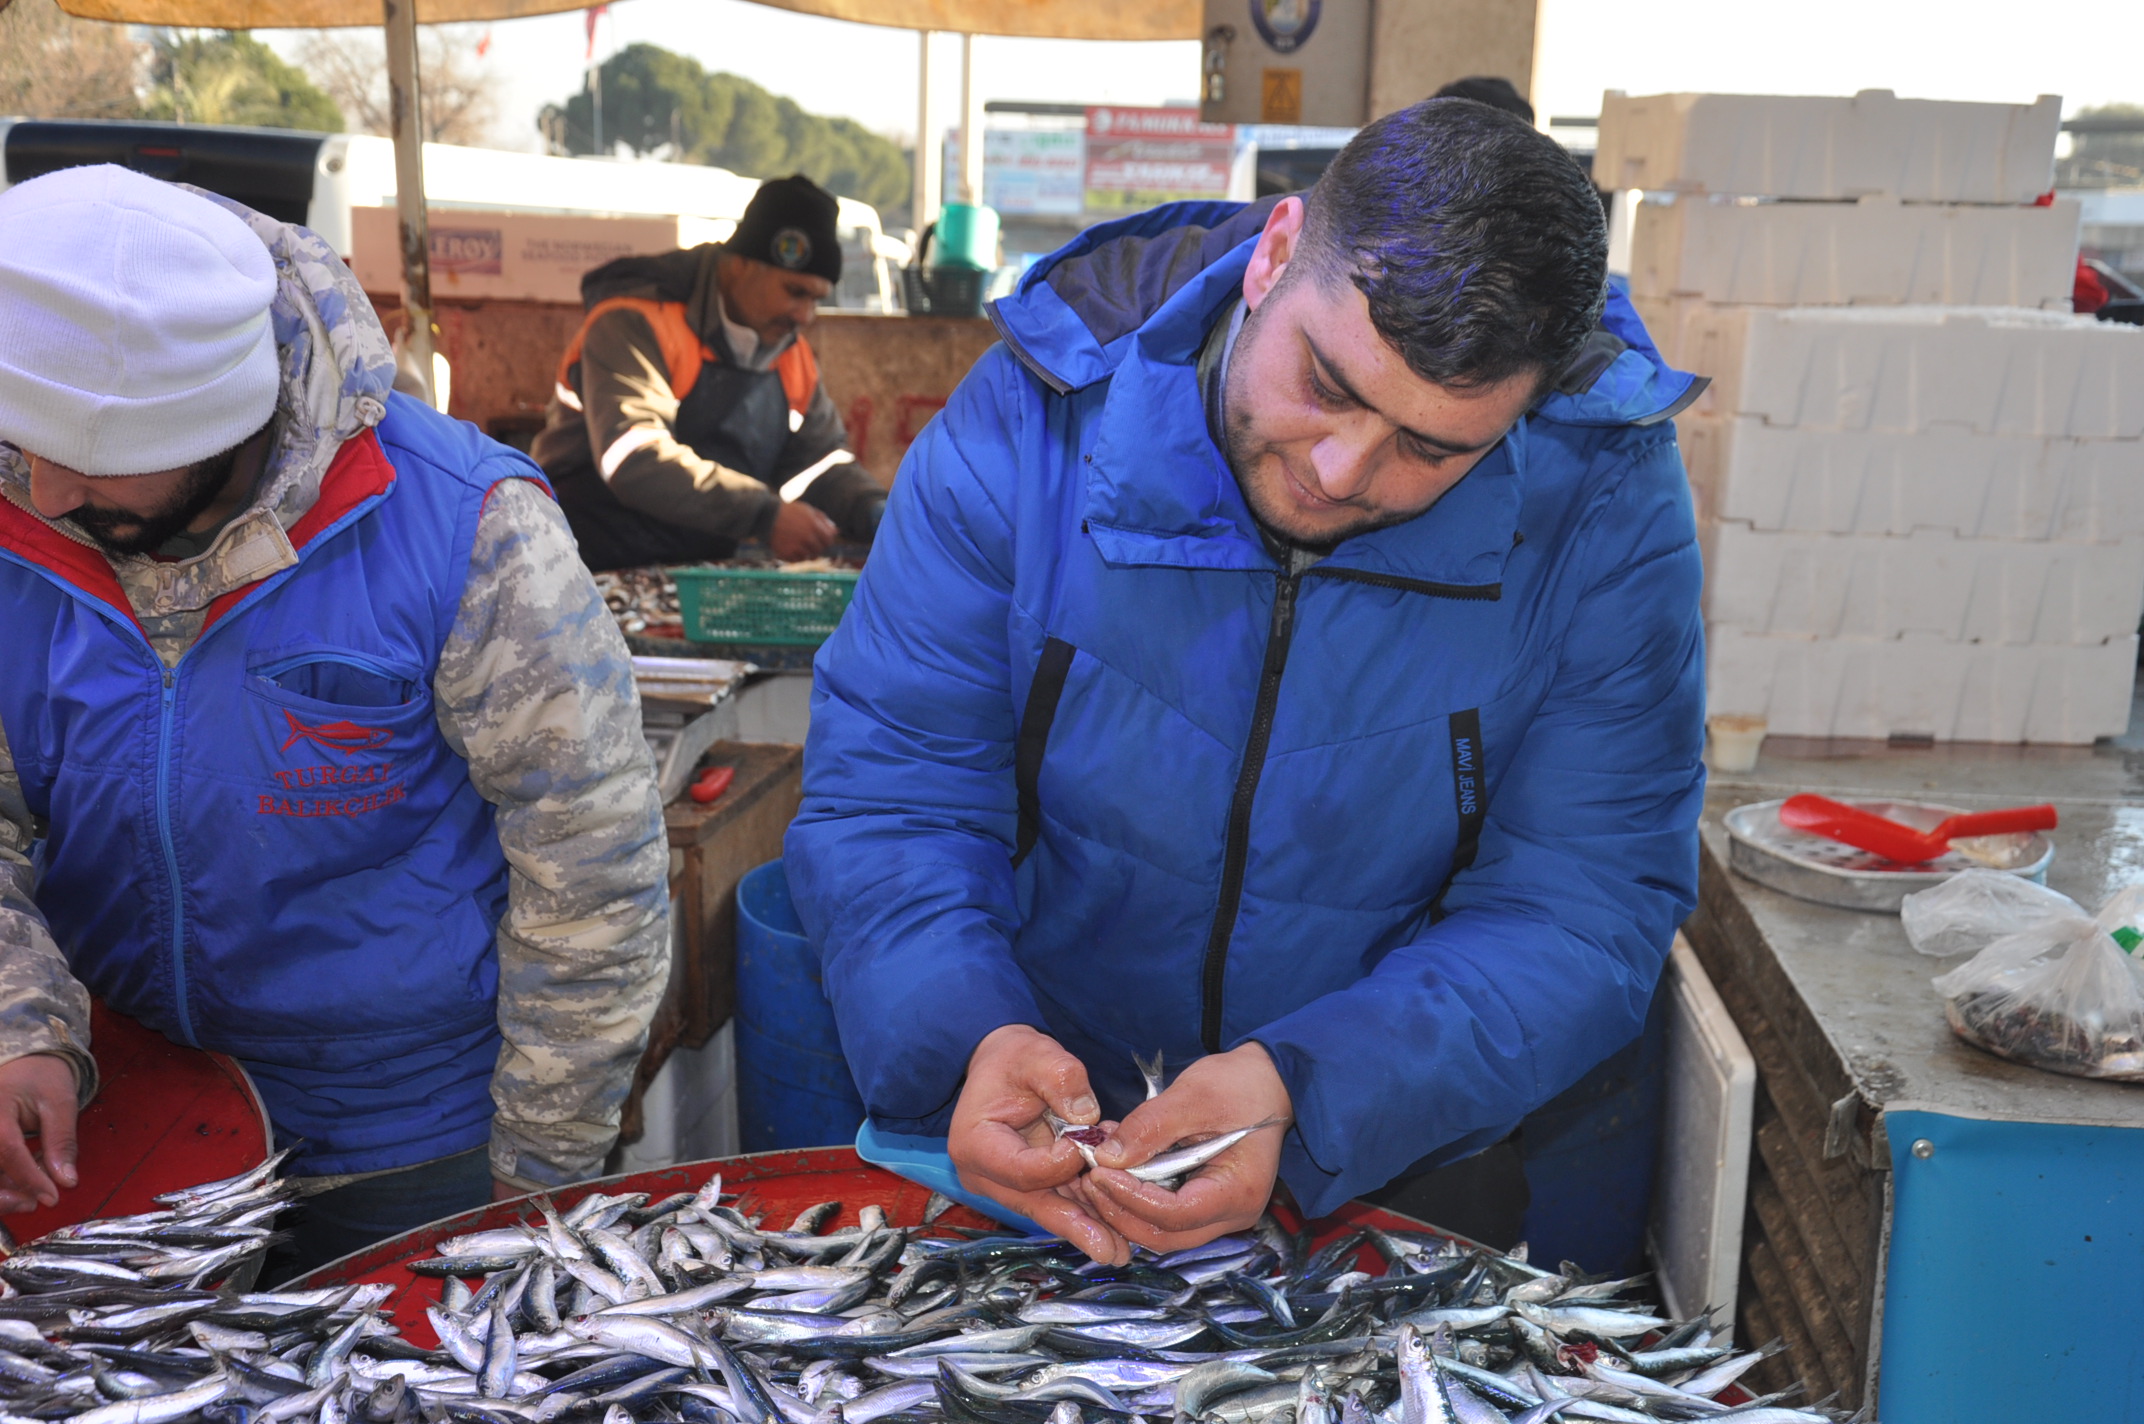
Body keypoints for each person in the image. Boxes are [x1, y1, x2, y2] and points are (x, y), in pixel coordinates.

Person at [785, 99, 1707, 1262]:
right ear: (1273, 254)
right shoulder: (1033, 419)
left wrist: (1309, 1087)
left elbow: (1581, 903)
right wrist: (966, 1036)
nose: (1340, 470)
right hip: (1044, 1126)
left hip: (1387, 1139)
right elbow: (894, 798)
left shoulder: (1600, 499)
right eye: (1327, 382)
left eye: (1431, 449)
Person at [0, 165, 671, 1276]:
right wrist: (22, 1020)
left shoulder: (464, 528)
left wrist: (539, 1174)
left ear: (221, 419)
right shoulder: (26, 506)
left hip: (413, 1147)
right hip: (123, 1123)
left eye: (95, 460)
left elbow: (591, 869)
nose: (52, 494)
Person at [533, 174, 886, 572]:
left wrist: (872, 509)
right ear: (738, 265)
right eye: (794, 291)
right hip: (583, 564)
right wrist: (763, 515)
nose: (804, 316)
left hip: (697, 570)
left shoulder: (791, 354)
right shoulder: (635, 321)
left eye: (817, 299)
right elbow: (632, 457)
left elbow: (816, 463)